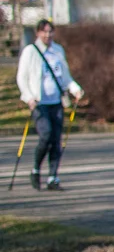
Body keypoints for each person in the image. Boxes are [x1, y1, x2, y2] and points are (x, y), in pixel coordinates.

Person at [16, 19, 84, 190]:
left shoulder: (57, 50)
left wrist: (75, 89)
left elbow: (65, 76)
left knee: (56, 140)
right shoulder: (31, 52)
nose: (48, 35)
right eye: (44, 32)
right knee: (45, 136)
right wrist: (29, 97)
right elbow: (22, 77)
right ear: (38, 33)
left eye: (50, 32)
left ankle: (53, 177)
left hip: (56, 102)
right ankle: (36, 169)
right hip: (40, 103)